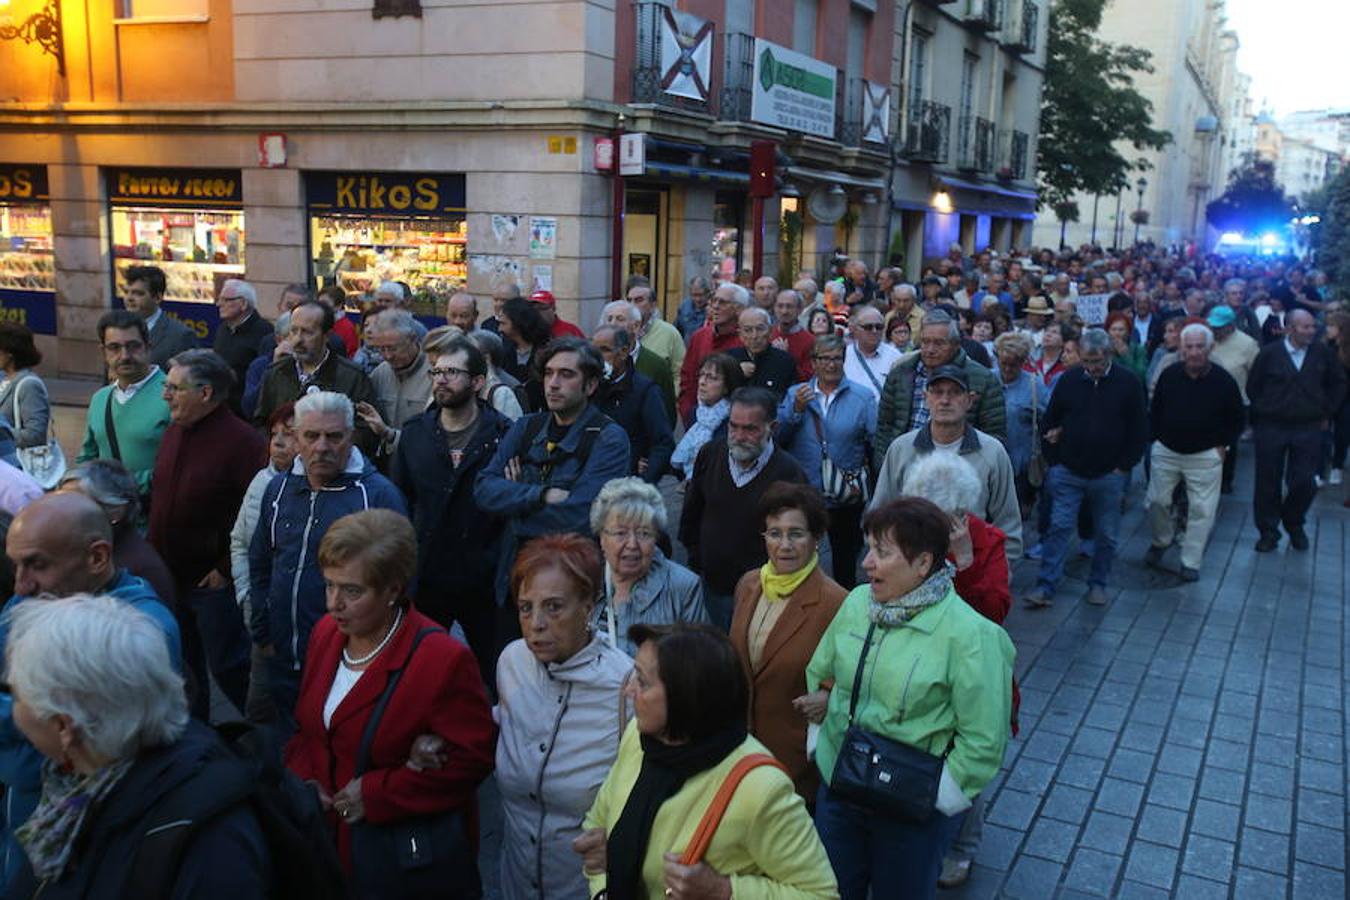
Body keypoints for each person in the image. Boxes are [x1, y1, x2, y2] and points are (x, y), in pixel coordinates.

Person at [804, 497, 1013, 900]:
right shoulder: (856, 604)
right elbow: (822, 671)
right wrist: (821, 742)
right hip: (841, 790)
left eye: (882, 553)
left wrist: (939, 796)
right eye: (869, 548)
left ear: (923, 564)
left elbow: (984, 739)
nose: (867, 562)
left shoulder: (972, 637)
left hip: (909, 813)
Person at [284, 510, 494, 896]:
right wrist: (303, 782)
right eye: (329, 585)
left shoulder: (441, 659)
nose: (334, 604)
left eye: (352, 591)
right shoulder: (326, 634)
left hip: (396, 864)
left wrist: (379, 793)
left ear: (393, 590)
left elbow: (473, 759)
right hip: (326, 850)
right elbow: (310, 730)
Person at [2, 596, 268, 899]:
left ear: (64, 727)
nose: (13, 708)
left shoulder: (210, 843)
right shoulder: (80, 785)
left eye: (16, 695)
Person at [0, 493, 183, 891]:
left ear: (97, 557)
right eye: (16, 565)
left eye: (37, 564)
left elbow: (48, 750)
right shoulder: (47, 595)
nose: (21, 585)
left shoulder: (138, 633)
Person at [576, 623, 838, 900]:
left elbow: (821, 894)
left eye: (642, 681)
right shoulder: (640, 739)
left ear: (685, 696)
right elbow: (599, 823)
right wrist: (602, 887)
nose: (628, 691)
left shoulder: (760, 788)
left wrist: (724, 891)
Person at [249, 391, 407, 734]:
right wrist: (262, 629)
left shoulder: (377, 497)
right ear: (295, 439)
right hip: (278, 655)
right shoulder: (277, 490)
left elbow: (399, 590)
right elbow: (261, 561)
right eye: (311, 436)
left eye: (334, 436)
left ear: (350, 438)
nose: (322, 447)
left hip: (342, 665)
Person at [898, 451, 1012, 890]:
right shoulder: (910, 536)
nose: (941, 525)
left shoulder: (987, 540)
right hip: (918, 668)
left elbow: (994, 613)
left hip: (969, 674)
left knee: (965, 761)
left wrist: (965, 562)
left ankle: (963, 848)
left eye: (950, 515)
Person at [496, 533, 633, 900]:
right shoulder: (511, 664)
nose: (536, 623)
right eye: (526, 608)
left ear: (589, 607)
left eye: (554, 607)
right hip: (514, 884)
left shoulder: (626, 686)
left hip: (584, 888)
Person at [149, 349, 266, 720]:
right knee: (184, 670)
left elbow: (258, 514)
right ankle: (197, 744)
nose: (165, 395)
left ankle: (272, 746)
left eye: (174, 388)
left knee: (230, 667)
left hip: (212, 583)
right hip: (171, 576)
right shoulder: (173, 431)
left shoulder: (243, 442)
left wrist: (226, 568)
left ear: (205, 393)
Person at [475, 339, 631, 608]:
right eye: (549, 373)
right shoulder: (526, 427)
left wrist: (513, 511)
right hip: (514, 580)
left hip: (570, 583)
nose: (553, 383)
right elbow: (483, 489)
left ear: (591, 385)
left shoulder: (609, 438)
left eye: (566, 374)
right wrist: (541, 495)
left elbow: (583, 516)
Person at [391, 337, 510, 682]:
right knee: (419, 670)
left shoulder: (505, 435)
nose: (441, 380)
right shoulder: (416, 433)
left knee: (495, 673)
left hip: (484, 579)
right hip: (429, 575)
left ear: (477, 382)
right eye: (437, 372)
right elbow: (401, 501)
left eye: (452, 372)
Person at [729, 482, 845, 802]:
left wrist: (827, 695)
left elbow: (853, 676)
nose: (784, 545)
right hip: (739, 747)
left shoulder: (836, 603)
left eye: (796, 534)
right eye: (774, 533)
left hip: (792, 759)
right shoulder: (749, 584)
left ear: (816, 539)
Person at [1023, 329, 1147, 609]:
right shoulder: (1070, 380)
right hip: (1068, 470)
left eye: (1098, 363)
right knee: (1059, 527)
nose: (1092, 369)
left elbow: (1139, 429)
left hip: (1108, 473)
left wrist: (1123, 467)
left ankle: (1098, 583)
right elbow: (1050, 420)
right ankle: (1045, 585)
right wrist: (1055, 460)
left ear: (1109, 356)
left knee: (1106, 533)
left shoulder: (1127, 383)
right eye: (1087, 362)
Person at [678, 387, 807, 629]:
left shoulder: (789, 474)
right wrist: (697, 558)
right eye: (733, 426)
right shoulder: (711, 453)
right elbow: (692, 511)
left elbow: (799, 542)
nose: (739, 436)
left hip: (762, 596)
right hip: (712, 588)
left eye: (750, 429)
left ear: (773, 428)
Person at [871, 365, 1023, 560]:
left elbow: (1008, 522)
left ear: (969, 400)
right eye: (937, 392)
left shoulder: (992, 452)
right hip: (908, 567)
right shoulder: (902, 448)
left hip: (972, 567)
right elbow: (880, 512)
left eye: (955, 393)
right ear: (926, 398)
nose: (944, 400)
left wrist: (1000, 574)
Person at [1145, 323, 1245, 581]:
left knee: (1202, 510)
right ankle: (1161, 540)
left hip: (1204, 454)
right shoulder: (1170, 375)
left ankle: (1191, 561)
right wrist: (1156, 440)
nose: (1194, 352)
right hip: (1167, 449)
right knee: (1157, 500)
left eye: (1200, 346)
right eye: (1189, 346)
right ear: (1181, 348)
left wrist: (1223, 446)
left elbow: (1237, 418)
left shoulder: (1223, 381)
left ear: (1210, 348)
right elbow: (1155, 410)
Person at [776, 334, 876, 587]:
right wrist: (796, 410)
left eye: (837, 359)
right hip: (805, 492)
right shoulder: (794, 394)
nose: (832, 364)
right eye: (825, 359)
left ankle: (843, 607)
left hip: (845, 495)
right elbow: (778, 438)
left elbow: (873, 443)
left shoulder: (862, 397)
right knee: (801, 557)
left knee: (845, 562)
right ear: (813, 362)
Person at [1247, 309, 1347, 552]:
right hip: (1272, 426)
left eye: (1313, 326)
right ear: (1290, 328)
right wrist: (1265, 409)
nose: (1312, 331)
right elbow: (1254, 386)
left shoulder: (1322, 354)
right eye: (1305, 327)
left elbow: (1339, 382)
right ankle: (1268, 531)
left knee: (1305, 480)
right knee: (1267, 480)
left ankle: (1293, 520)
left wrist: (1327, 411)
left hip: (1308, 426)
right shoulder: (1270, 354)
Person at [227, 402, 297, 724]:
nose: (279, 442)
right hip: (262, 615)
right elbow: (240, 541)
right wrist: (246, 596)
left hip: (300, 621)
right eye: (274, 434)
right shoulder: (260, 481)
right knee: (260, 708)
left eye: (290, 434)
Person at [875, 310, 1006, 470]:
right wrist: (885, 463)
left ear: (955, 345)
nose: (930, 349)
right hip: (905, 465)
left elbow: (994, 433)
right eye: (925, 342)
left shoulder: (983, 379)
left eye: (938, 343)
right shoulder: (901, 373)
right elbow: (884, 425)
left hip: (959, 471)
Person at [591, 478, 706, 654]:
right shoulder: (583, 580)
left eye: (644, 533)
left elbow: (699, 662)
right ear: (602, 538)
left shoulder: (684, 587)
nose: (632, 544)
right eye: (620, 533)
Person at [57, 460, 177, 626]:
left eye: (75, 505)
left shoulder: (140, 569)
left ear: (116, 511)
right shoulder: (86, 549)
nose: (58, 513)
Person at [254, 300, 378, 455]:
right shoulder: (276, 372)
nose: (298, 339)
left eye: (307, 332)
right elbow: (261, 422)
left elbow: (366, 432)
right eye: (293, 331)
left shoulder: (353, 377)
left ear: (327, 335)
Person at [78, 311, 172, 506]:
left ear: (148, 347)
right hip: (108, 518)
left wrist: (119, 487)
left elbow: (179, 466)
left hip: (155, 515)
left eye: (133, 346)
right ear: (103, 351)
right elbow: (87, 457)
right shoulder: (100, 399)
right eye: (114, 348)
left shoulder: (172, 395)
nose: (125, 356)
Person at [592, 325, 675, 484]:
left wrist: (644, 482)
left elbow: (663, 443)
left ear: (623, 352)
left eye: (604, 350)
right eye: (593, 350)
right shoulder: (587, 387)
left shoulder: (645, 390)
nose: (597, 357)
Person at [355, 309, 433, 458]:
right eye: (381, 349)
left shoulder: (435, 374)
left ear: (413, 339)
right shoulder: (380, 374)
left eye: (392, 348)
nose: (387, 356)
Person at [1205, 305, 1260, 494]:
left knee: (1229, 443)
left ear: (1231, 325)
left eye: (1220, 327)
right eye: (1213, 326)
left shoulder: (1247, 344)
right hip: (1207, 399)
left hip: (1237, 402)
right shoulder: (1206, 340)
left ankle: (1226, 479)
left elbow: (1257, 374)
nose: (1216, 330)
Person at [679, 282, 747, 421]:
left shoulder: (747, 341)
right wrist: (688, 412)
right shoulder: (699, 336)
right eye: (714, 300)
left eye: (722, 302)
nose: (715, 306)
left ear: (738, 309)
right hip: (697, 418)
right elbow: (688, 378)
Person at [669, 352, 742, 481]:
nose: (702, 382)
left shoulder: (735, 419)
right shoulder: (696, 413)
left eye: (712, 378)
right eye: (701, 375)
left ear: (727, 387)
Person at [994, 331, 1047, 509]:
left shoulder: (1035, 386)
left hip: (1020, 464)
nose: (1008, 369)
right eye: (1004, 364)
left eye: (1014, 365)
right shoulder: (988, 379)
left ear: (1023, 362)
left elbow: (1048, 418)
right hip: (991, 461)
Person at [602, 300, 678, 420]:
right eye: (609, 319)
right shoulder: (596, 361)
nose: (613, 324)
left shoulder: (657, 365)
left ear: (636, 326)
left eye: (620, 319)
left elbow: (668, 414)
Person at [212, 279, 272, 414]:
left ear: (243, 303)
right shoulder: (224, 329)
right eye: (219, 299)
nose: (219, 304)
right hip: (222, 406)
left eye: (225, 300)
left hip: (246, 410)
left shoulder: (264, 332)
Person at [122, 264, 197, 369]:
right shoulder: (118, 330)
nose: (129, 298)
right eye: (126, 292)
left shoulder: (181, 336)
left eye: (138, 293)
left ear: (157, 297)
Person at [0, 323, 50, 461]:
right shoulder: (3, 378)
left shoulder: (29, 384)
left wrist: (3, 435)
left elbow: (35, 435)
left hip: (17, 466)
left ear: (9, 353)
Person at [626, 279, 686, 393]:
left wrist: (670, 398)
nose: (632, 305)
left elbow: (680, 374)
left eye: (639, 300)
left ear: (653, 305)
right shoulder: (618, 331)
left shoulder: (669, 333)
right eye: (629, 300)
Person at [727, 306, 798, 401]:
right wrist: (735, 373)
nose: (754, 336)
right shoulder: (729, 359)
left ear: (770, 331)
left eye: (760, 329)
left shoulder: (785, 361)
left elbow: (789, 401)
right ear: (740, 335)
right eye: (748, 330)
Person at [498, 296, 553, 410]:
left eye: (503, 323)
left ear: (517, 323)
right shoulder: (503, 350)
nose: (499, 329)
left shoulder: (546, 351)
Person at [843, 305, 901, 407]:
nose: (874, 331)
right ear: (855, 329)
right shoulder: (843, 355)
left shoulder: (896, 357)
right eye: (868, 327)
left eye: (878, 327)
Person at [770, 289, 814, 381]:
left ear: (800, 310)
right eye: (780, 306)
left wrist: (785, 357)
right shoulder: (767, 334)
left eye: (789, 307)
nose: (784, 311)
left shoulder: (810, 341)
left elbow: (807, 378)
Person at [1105, 311, 1148, 381]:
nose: (1117, 333)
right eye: (1113, 329)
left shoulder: (1139, 349)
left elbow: (1140, 376)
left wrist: (1126, 356)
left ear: (1128, 332)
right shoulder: (1103, 350)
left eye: (1121, 330)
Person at [676, 275, 712, 341]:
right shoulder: (684, 306)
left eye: (701, 295)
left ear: (708, 293)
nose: (697, 299)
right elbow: (677, 330)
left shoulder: (714, 308)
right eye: (694, 295)